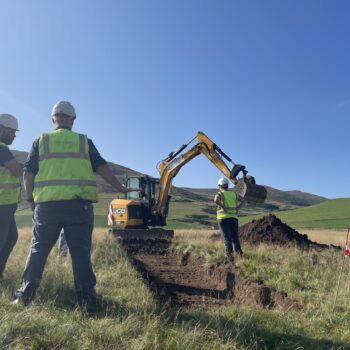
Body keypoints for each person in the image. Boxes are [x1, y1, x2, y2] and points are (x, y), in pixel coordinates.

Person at [14, 101, 139, 306]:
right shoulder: (83, 142)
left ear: (54, 118)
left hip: (47, 207)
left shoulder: (41, 141)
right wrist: (121, 187)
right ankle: (87, 300)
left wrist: (31, 200)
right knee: (80, 254)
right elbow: (102, 167)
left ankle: (24, 297)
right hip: (78, 207)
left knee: (38, 251)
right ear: (73, 120)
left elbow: (28, 173)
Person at [0, 114, 22, 286]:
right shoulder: (2, 149)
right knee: (3, 240)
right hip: (2, 204)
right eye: (11, 132)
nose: (14, 135)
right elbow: (16, 171)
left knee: (10, 238)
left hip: (5, 205)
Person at [214, 177, 245, 262]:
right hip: (234, 218)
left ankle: (230, 257)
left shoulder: (220, 194)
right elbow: (243, 201)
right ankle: (240, 254)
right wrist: (237, 208)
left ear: (220, 186)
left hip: (223, 219)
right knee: (235, 237)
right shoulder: (234, 194)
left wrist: (222, 206)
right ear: (227, 185)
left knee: (227, 237)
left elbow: (216, 200)